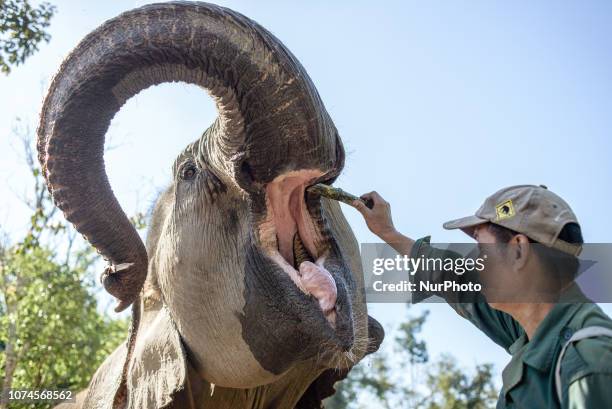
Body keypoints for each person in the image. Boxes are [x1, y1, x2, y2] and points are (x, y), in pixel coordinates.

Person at [352, 185, 612, 408]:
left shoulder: (588, 363)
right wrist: (389, 234)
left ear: (518, 251)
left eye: (480, 249)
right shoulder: (536, 329)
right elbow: (456, 280)